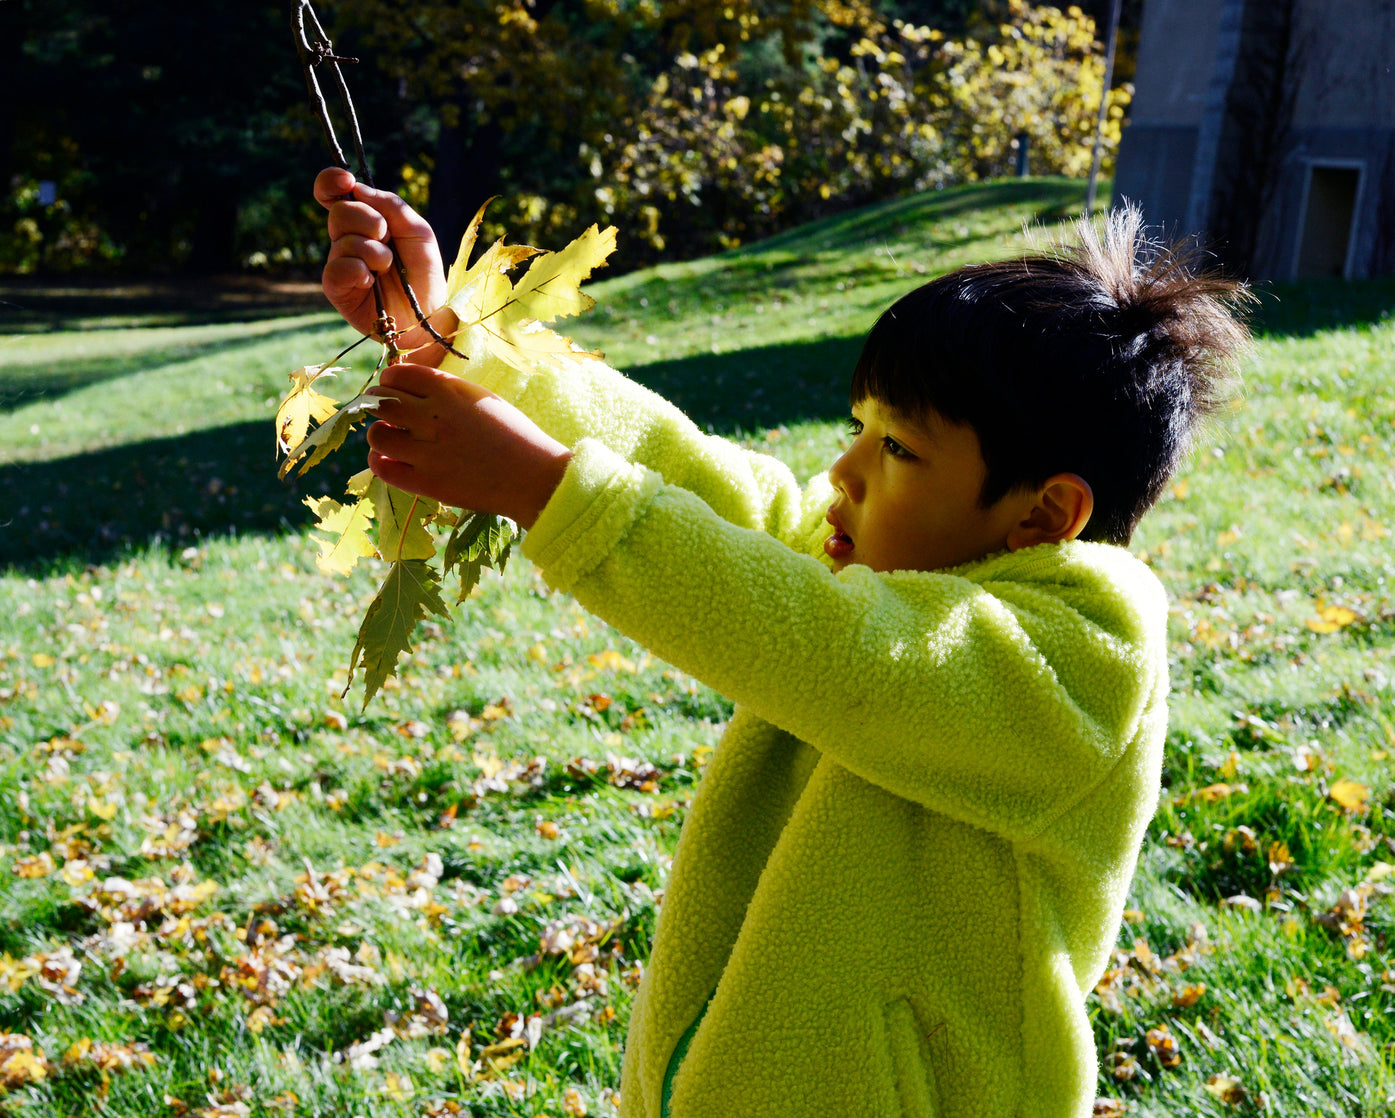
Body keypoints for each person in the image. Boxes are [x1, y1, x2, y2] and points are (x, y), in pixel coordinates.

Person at [314, 168, 1251, 1118]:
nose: (842, 471)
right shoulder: (882, 562)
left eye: (898, 450)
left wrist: (556, 496)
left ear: (1044, 512)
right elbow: (709, 486)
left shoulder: (1085, 651)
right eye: (860, 429)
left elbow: (846, 654)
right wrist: (455, 339)